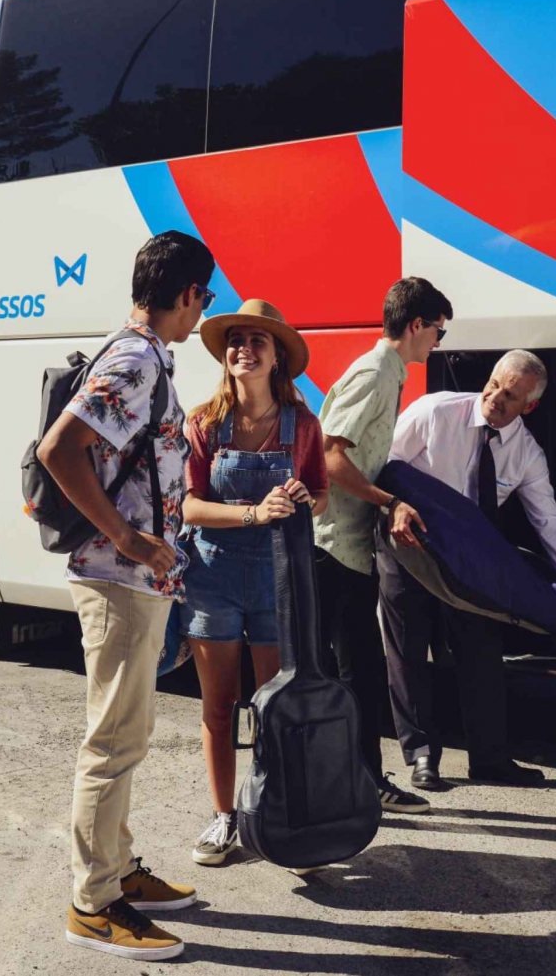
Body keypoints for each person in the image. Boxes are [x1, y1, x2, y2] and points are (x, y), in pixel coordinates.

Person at [38, 230, 213, 962]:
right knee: (112, 742)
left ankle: (119, 868)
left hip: (133, 578)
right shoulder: (137, 359)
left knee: (127, 735)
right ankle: (94, 901)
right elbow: (60, 449)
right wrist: (133, 539)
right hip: (116, 576)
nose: (205, 310)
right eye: (205, 297)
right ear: (185, 295)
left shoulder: (143, 357)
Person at [380, 349, 556, 792]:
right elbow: (382, 467)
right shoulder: (434, 412)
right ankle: (422, 758)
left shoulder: (526, 453)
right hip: (408, 547)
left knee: (481, 652)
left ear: (529, 407)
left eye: (511, 395)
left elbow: (550, 521)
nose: (496, 397)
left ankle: (491, 760)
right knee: (408, 652)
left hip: (468, 561)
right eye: (495, 384)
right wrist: (392, 509)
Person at [177, 299, 329, 866]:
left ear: (277, 357)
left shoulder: (303, 425)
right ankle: (224, 819)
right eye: (236, 340)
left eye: (257, 341)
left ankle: (279, 813)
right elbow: (188, 507)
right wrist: (252, 514)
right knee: (220, 705)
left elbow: (321, 490)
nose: (244, 348)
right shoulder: (203, 423)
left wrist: (302, 501)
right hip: (213, 576)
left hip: (278, 580)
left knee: (274, 705)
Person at [311, 277, 454, 816]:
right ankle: (359, 783)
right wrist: (388, 500)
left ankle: (359, 780)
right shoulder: (375, 374)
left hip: (345, 545)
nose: (438, 343)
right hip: (332, 547)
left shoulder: (386, 375)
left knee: (356, 671)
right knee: (353, 673)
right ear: (416, 325)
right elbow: (329, 455)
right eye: (438, 331)